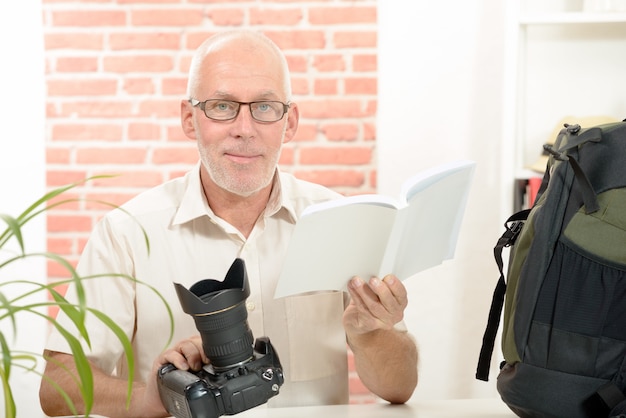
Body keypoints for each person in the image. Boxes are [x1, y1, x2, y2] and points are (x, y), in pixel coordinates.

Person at [39, 29, 418, 417]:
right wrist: (154, 397)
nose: (244, 128)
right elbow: (58, 387)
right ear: (190, 119)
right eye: (222, 106)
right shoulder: (127, 233)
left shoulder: (341, 221)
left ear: (289, 123)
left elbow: (399, 388)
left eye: (265, 107)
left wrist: (371, 332)